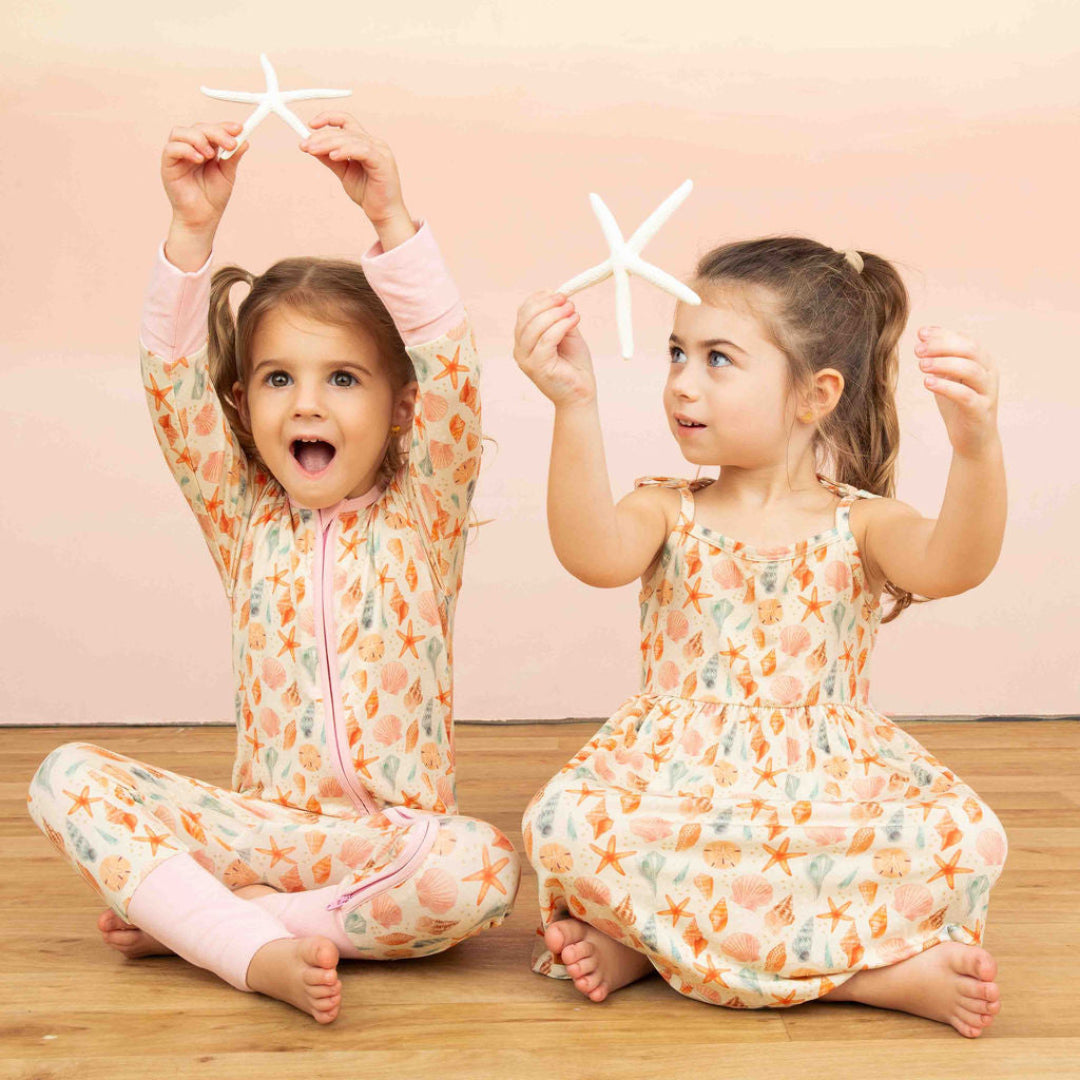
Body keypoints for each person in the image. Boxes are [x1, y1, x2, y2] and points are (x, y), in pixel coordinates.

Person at [27, 114, 519, 1023]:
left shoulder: (425, 512)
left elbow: (457, 374)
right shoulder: (242, 516)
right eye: (278, 379)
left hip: (389, 843)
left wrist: (393, 221)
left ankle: (223, 928)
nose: (307, 403)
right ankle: (243, 940)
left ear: (400, 406)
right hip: (262, 833)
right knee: (61, 776)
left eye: (342, 378)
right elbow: (169, 381)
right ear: (243, 401)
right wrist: (191, 233)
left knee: (481, 869)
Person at [514, 236, 1007, 1038]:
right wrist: (575, 406)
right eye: (677, 352)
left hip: (825, 787)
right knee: (568, 822)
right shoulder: (665, 506)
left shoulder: (863, 521)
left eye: (717, 359)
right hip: (677, 778)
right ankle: (818, 962)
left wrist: (976, 447)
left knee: (963, 834)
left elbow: (955, 564)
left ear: (815, 395)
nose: (681, 381)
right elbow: (592, 557)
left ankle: (709, 954)